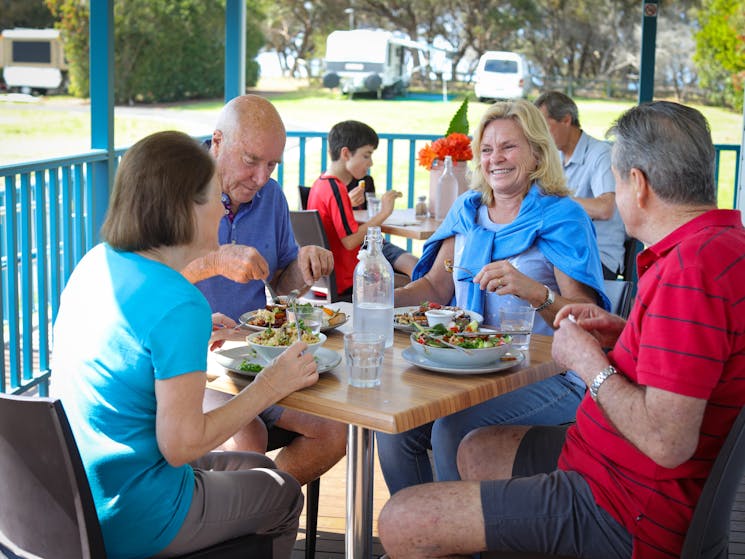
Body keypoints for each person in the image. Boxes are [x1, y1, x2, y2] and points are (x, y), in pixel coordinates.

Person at [377, 101, 745, 559]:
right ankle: (461, 538)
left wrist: (589, 359)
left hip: (621, 506)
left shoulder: (691, 272)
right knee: (459, 443)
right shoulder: (717, 250)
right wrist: (625, 331)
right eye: (487, 148)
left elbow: (667, 441)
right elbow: (684, 356)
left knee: (404, 514)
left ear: (638, 184)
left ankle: (453, 535)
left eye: (613, 180)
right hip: (604, 462)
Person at [51, 131, 313, 559]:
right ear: (184, 208)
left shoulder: (95, 262)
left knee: (261, 467)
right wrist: (271, 384)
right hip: (137, 515)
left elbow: (133, 346)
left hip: (76, 498)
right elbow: (182, 445)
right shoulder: (179, 303)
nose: (222, 209)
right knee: (283, 495)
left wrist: (186, 337)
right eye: (215, 198)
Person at [376, 99, 610, 494]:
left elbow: (584, 322)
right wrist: (375, 299)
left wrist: (534, 291)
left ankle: (461, 543)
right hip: (468, 366)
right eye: (486, 149)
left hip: (551, 374)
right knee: (396, 426)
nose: (495, 158)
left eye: (508, 147)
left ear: (536, 152)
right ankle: (422, 543)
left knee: (453, 429)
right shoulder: (467, 211)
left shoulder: (564, 216)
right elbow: (435, 287)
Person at [182, 94, 347, 486]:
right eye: (251, 161)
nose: (261, 177)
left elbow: (281, 284)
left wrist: (303, 267)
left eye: (271, 164)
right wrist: (213, 261)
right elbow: (145, 281)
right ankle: (249, 518)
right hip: (192, 365)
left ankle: (260, 513)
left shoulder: (270, 195)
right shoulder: (177, 186)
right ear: (217, 142)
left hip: (256, 358)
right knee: (249, 437)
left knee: (335, 431)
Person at [307, 120, 418, 295]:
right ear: (346, 153)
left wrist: (347, 205)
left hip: (330, 282)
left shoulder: (320, 184)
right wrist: (384, 213)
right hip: (348, 282)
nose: (370, 163)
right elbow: (350, 241)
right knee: (417, 282)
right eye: (366, 155)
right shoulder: (336, 188)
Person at [535, 90, 627, 279]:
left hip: (598, 256)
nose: (540, 134)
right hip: (567, 251)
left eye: (544, 126)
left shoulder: (600, 154)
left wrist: (554, 201)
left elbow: (605, 208)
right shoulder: (555, 156)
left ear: (566, 120)